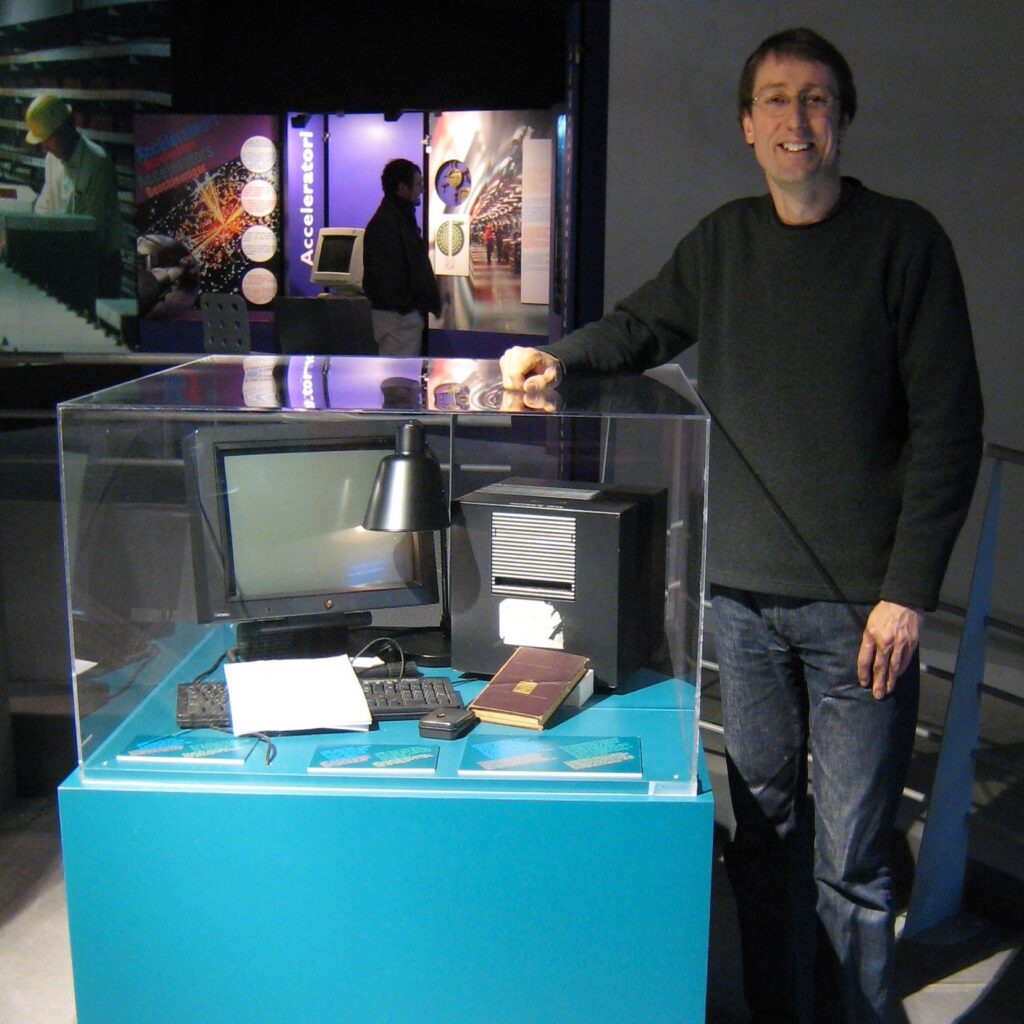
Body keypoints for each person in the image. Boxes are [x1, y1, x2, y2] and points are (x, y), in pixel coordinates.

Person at [500, 27, 983, 1024]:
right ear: (744, 124)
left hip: (861, 615)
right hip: (739, 602)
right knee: (761, 834)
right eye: (773, 100)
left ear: (841, 119)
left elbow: (949, 428)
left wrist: (906, 592)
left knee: (851, 855)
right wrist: (555, 359)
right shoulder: (724, 242)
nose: (793, 120)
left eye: (814, 100)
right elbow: (639, 327)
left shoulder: (905, 242)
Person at [24, 94, 123, 298]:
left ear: (66, 130)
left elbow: (93, 235)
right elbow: (45, 208)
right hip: (64, 259)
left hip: (98, 270)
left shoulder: (97, 164)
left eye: (48, 139)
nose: (44, 148)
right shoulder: (53, 160)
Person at [362, 158, 441, 357]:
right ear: (402, 188)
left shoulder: (398, 219)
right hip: (397, 320)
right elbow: (386, 277)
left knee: (401, 380)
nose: (422, 190)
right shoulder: (388, 225)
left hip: (400, 318)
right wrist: (407, 309)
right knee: (398, 381)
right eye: (418, 184)